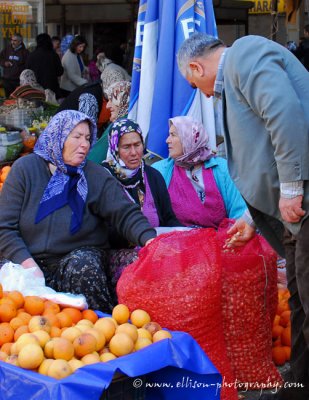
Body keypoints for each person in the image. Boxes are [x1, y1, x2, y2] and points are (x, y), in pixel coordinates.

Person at [177, 33, 309, 400]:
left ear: (195, 66)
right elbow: (260, 147)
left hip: (301, 201)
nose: (201, 93)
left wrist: (292, 186)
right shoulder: (231, 77)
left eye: (194, 83)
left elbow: (284, 114)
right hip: (291, 213)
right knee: (299, 303)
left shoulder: (245, 53)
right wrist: (253, 219)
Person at [0, 110, 156, 312]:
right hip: (27, 261)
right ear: (58, 134)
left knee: (83, 268)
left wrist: (151, 241)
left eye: (88, 138)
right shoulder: (25, 169)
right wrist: (29, 266)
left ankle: (102, 330)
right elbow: (4, 227)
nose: (84, 144)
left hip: (74, 261)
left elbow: (125, 214)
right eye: (77, 136)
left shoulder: (95, 175)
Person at [102, 118, 180, 290]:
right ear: (115, 148)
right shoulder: (102, 178)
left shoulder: (153, 176)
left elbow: (168, 219)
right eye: (126, 147)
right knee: (144, 262)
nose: (134, 152)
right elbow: (101, 230)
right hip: (117, 252)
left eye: (137, 145)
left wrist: (180, 238)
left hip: (155, 249)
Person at [153, 116, 246, 227]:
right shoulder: (159, 170)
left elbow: (239, 212)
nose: (167, 140)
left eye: (173, 135)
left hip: (221, 240)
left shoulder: (222, 168)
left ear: (188, 138)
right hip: (176, 241)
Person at [87, 80, 131, 163]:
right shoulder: (130, 121)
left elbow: (94, 159)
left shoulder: (119, 126)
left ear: (123, 100)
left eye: (112, 100)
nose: (107, 106)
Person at [26, 33, 63, 99]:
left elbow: (27, 72)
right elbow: (60, 72)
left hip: (36, 89)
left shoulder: (31, 55)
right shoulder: (53, 55)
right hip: (52, 88)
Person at [0, 33, 29, 98]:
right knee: (8, 100)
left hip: (18, 81)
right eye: (12, 40)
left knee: (18, 99)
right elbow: (0, 58)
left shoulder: (25, 52)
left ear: (20, 42)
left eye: (15, 40)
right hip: (7, 80)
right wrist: (4, 63)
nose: (12, 42)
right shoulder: (7, 49)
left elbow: (27, 66)